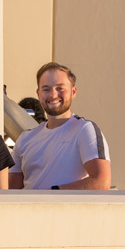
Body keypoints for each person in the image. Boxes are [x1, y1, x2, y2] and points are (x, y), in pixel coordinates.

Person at [9, 62, 111, 190]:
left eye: (60, 88)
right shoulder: (25, 139)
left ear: (73, 92)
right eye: (46, 89)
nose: (53, 95)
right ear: (38, 94)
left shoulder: (84, 130)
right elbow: (12, 192)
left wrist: (53, 193)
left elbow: (101, 182)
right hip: (28, 210)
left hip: (65, 210)